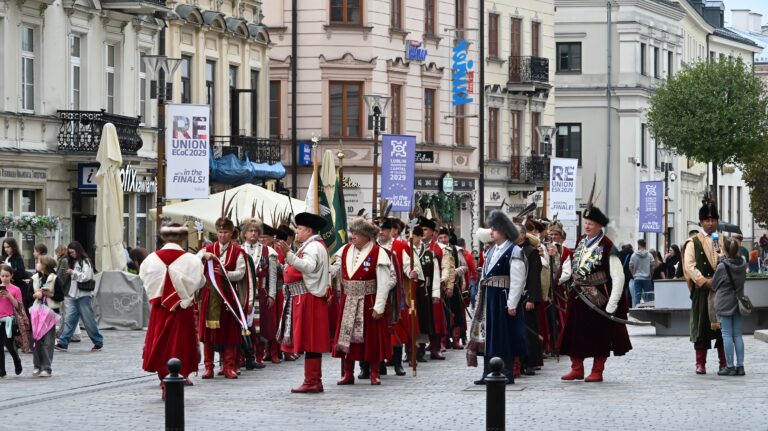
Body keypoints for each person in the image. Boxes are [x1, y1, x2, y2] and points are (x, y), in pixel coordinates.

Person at [559, 201, 631, 382]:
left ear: (599, 225)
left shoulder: (607, 245)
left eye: (591, 223)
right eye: (586, 222)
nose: (587, 226)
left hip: (597, 298)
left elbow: (618, 277)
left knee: (600, 335)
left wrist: (613, 302)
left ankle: (597, 370)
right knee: (574, 333)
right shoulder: (580, 242)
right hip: (577, 296)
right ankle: (577, 368)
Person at [140, 224, 205, 398]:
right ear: (183, 239)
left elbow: (144, 280)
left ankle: (164, 380)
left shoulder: (150, 259)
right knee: (180, 345)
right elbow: (200, 282)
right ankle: (178, 379)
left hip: (160, 309)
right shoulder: (192, 260)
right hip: (182, 310)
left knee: (160, 344)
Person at [331, 218, 394, 386]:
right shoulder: (344, 250)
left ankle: (374, 373)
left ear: (367, 236)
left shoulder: (378, 253)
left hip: (369, 301)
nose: (353, 237)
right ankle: (348, 373)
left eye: (357, 234)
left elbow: (384, 282)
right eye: (352, 234)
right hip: (348, 301)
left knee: (371, 339)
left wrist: (379, 306)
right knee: (346, 339)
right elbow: (335, 270)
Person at [467, 211, 527, 384]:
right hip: (490, 298)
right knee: (489, 335)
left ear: (504, 231)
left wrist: (512, 304)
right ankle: (487, 371)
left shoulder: (514, 250)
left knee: (504, 335)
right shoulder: (492, 250)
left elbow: (517, 280)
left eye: (495, 229)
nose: (491, 232)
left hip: (503, 297)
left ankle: (507, 372)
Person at [275, 212, 331, 394]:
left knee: (311, 341)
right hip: (304, 297)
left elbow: (308, 267)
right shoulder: (311, 245)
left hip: (308, 298)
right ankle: (311, 379)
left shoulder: (313, 247)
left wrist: (289, 255)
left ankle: (313, 380)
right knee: (309, 341)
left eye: (299, 229)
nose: (296, 232)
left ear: (308, 230)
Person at [197, 217, 251, 380]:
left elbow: (241, 273)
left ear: (231, 233)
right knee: (208, 335)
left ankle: (228, 366)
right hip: (209, 296)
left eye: (225, 232)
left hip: (228, 297)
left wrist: (226, 274)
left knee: (229, 334)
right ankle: (208, 367)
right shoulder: (208, 248)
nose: (222, 235)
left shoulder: (238, 252)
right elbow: (195, 265)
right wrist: (202, 256)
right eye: (219, 232)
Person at [683, 197, 726, 375]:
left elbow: (725, 260)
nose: (710, 223)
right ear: (701, 222)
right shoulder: (693, 242)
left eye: (713, 220)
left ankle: (724, 361)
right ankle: (700, 363)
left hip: (719, 290)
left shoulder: (720, 239)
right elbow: (689, 266)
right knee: (701, 327)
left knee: (722, 329)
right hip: (702, 290)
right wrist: (703, 280)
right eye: (707, 220)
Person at [376, 217, 421, 377]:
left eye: (384, 229)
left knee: (396, 327)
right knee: (378, 329)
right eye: (379, 229)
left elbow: (408, 264)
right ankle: (380, 363)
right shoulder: (372, 246)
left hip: (395, 293)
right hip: (376, 293)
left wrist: (411, 272)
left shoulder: (400, 246)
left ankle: (397, 364)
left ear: (391, 231)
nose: (381, 232)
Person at [242, 219, 280, 367]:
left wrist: (272, 295)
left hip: (261, 292)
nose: (253, 233)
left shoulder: (269, 252)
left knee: (260, 327)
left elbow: (272, 276)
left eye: (256, 231)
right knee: (245, 326)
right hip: (243, 294)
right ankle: (244, 357)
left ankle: (258, 356)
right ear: (244, 234)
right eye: (250, 231)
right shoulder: (238, 250)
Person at [55, 241, 104, 352]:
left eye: (72, 252)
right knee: (70, 320)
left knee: (88, 320)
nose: (71, 254)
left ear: (77, 250)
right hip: (73, 295)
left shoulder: (85, 262)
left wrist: (73, 272)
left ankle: (98, 341)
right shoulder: (74, 262)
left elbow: (85, 277)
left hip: (83, 295)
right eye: (70, 253)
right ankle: (63, 342)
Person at [711, 237, 747, 377]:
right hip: (738, 302)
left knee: (726, 334)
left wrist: (720, 261)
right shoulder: (743, 264)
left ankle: (730, 366)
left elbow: (714, 285)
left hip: (724, 302)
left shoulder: (722, 266)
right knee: (737, 334)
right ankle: (741, 366)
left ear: (725, 250)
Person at [416, 217, 447, 360]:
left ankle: (435, 347)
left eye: (425, 229)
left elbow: (446, 267)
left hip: (433, 287)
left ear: (432, 232)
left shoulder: (439, 248)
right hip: (419, 289)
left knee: (435, 320)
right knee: (418, 319)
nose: (422, 232)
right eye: (421, 229)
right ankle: (417, 348)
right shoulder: (414, 246)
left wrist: (443, 282)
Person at [30, 256, 64, 377]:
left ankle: (46, 368)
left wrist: (49, 294)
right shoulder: (34, 278)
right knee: (35, 340)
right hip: (37, 311)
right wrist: (35, 295)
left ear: (44, 265)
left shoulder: (55, 279)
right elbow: (29, 296)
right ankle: (37, 365)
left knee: (48, 341)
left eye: (39, 262)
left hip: (50, 311)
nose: (37, 264)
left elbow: (60, 297)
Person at [410, 226, 440, 363]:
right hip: (410, 292)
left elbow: (435, 275)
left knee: (422, 320)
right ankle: (410, 351)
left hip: (424, 291)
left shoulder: (429, 254)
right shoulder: (407, 252)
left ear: (420, 237)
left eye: (414, 236)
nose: (411, 238)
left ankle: (420, 350)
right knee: (410, 319)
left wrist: (436, 293)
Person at [0, 264, 23, 377]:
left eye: (7, 276)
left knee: (9, 345)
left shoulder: (16, 289)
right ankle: (1, 370)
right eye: (2, 275)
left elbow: (18, 307)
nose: (4, 278)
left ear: (11, 276)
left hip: (9, 320)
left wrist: (9, 296)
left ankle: (16, 359)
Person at [629, 240, 652, 307]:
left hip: (637, 278)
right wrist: (650, 273)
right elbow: (653, 265)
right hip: (647, 278)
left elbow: (630, 266)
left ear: (638, 245)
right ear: (645, 245)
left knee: (637, 295)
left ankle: (637, 309)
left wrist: (633, 275)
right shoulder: (649, 255)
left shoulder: (633, 255)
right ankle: (649, 308)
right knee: (648, 295)